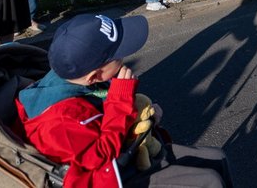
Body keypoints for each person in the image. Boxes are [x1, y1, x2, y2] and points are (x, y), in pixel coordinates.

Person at [16, 13, 232, 187]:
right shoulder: (59, 120)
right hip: (110, 174)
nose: (124, 59)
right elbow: (99, 156)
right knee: (209, 181)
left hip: (128, 152)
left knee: (217, 157)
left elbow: (106, 116)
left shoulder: (80, 80)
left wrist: (140, 114)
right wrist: (120, 99)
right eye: (118, 56)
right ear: (94, 75)